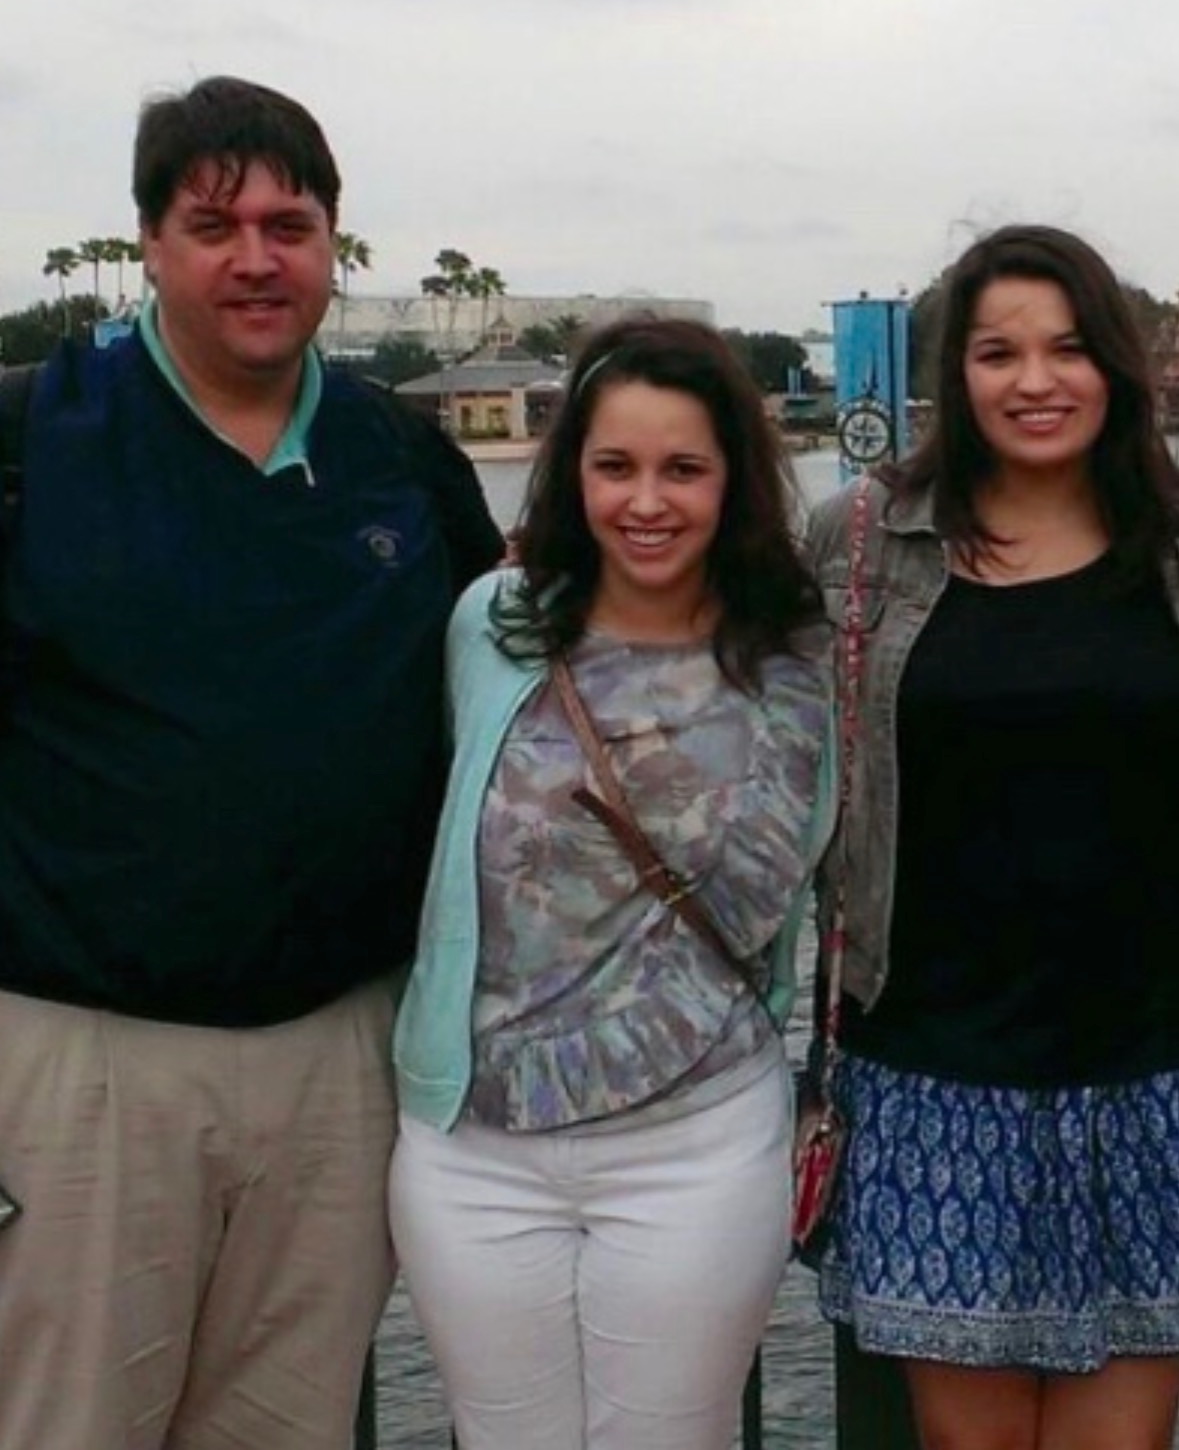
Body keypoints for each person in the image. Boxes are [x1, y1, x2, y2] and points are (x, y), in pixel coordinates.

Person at [0, 76, 502, 1449]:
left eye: (289, 225)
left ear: (332, 242)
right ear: (150, 245)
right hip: (82, 1061)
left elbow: (504, 699)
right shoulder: (33, 439)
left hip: (344, 1054)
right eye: (214, 226)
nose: (256, 259)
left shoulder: (401, 456)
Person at [390, 316, 836, 1450]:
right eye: (614, 466)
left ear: (733, 481)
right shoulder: (492, 626)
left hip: (698, 1144)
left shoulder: (798, 656)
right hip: (474, 1150)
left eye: (683, 468)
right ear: (572, 474)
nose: (646, 500)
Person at [808, 224, 1179, 1450]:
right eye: (998, 352)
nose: (1035, 379)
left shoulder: (1167, 540)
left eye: (1068, 348)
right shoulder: (864, 540)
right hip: (934, 1072)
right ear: (952, 374)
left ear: (1116, 365)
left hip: (1152, 1069)